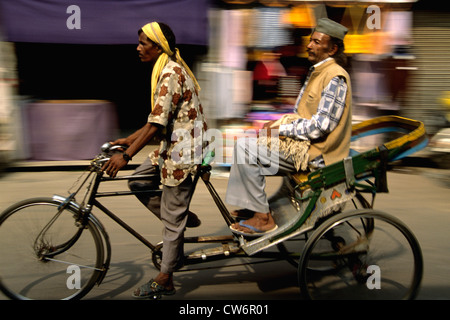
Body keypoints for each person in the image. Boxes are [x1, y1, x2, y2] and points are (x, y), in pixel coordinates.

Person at [102, 22, 207, 298]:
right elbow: (157, 120)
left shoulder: (170, 71)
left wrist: (126, 155)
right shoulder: (165, 68)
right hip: (171, 144)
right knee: (138, 180)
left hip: (184, 150)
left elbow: (156, 125)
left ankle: (165, 279)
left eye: (143, 43)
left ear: (157, 46)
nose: (138, 48)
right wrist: (129, 139)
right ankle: (180, 219)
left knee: (171, 219)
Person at [226, 18, 352, 236]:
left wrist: (278, 130)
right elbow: (300, 115)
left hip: (317, 154)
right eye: (310, 41)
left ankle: (263, 217)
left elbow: (320, 127)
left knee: (247, 150)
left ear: (332, 49)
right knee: (245, 142)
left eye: (316, 42)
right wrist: (276, 123)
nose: (309, 45)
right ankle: (252, 205)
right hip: (304, 146)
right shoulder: (318, 72)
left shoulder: (335, 77)